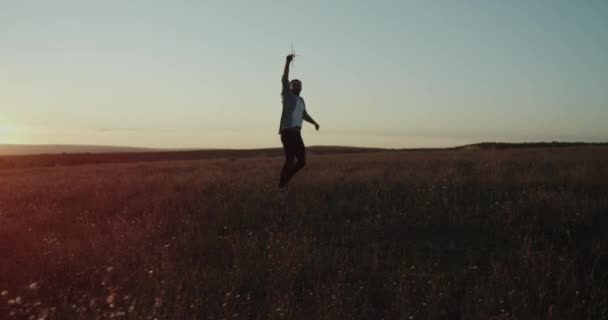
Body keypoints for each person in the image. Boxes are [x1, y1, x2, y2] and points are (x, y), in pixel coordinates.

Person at [278, 54, 320, 190]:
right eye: (294, 85)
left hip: (297, 133)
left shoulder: (301, 101)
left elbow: (304, 115)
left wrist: (314, 123)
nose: (297, 86)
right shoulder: (288, 95)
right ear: (290, 87)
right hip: (287, 132)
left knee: (302, 161)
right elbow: (284, 79)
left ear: (301, 87)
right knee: (290, 159)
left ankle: (285, 181)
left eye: (299, 85)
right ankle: (282, 186)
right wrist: (287, 62)